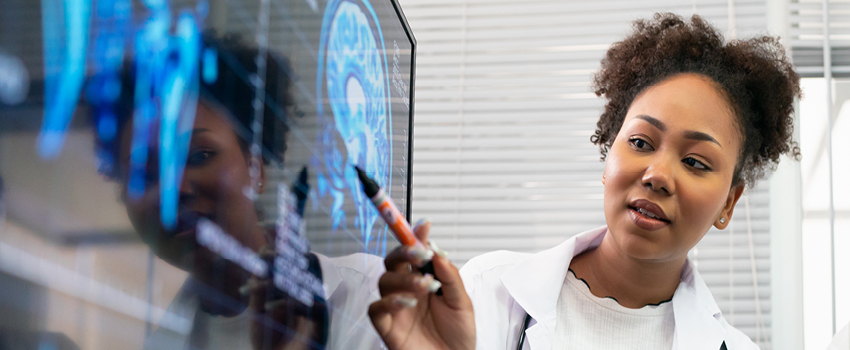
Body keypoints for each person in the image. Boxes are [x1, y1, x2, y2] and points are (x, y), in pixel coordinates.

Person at [369, 13, 800, 350]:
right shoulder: (488, 292)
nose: (657, 176)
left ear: (729, 203)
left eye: (695, 161)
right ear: (608, 153)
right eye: (640, 142)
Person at [89, 33, 384, 350]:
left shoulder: (369, 300)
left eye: (199, 156)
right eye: (146, 176)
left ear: (255, 169)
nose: (175, 192)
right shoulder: (155, 341)